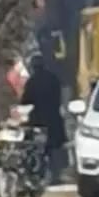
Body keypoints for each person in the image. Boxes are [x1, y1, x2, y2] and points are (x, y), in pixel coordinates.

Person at [20, 53, 66, 187]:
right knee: (54, 148)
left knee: (39, 148)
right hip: (54, 117)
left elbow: (25, 100)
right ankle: (56, 174)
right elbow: (60, 96)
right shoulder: (53, 78)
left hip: (38, 119)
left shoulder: (32, 82)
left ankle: (42, 175)